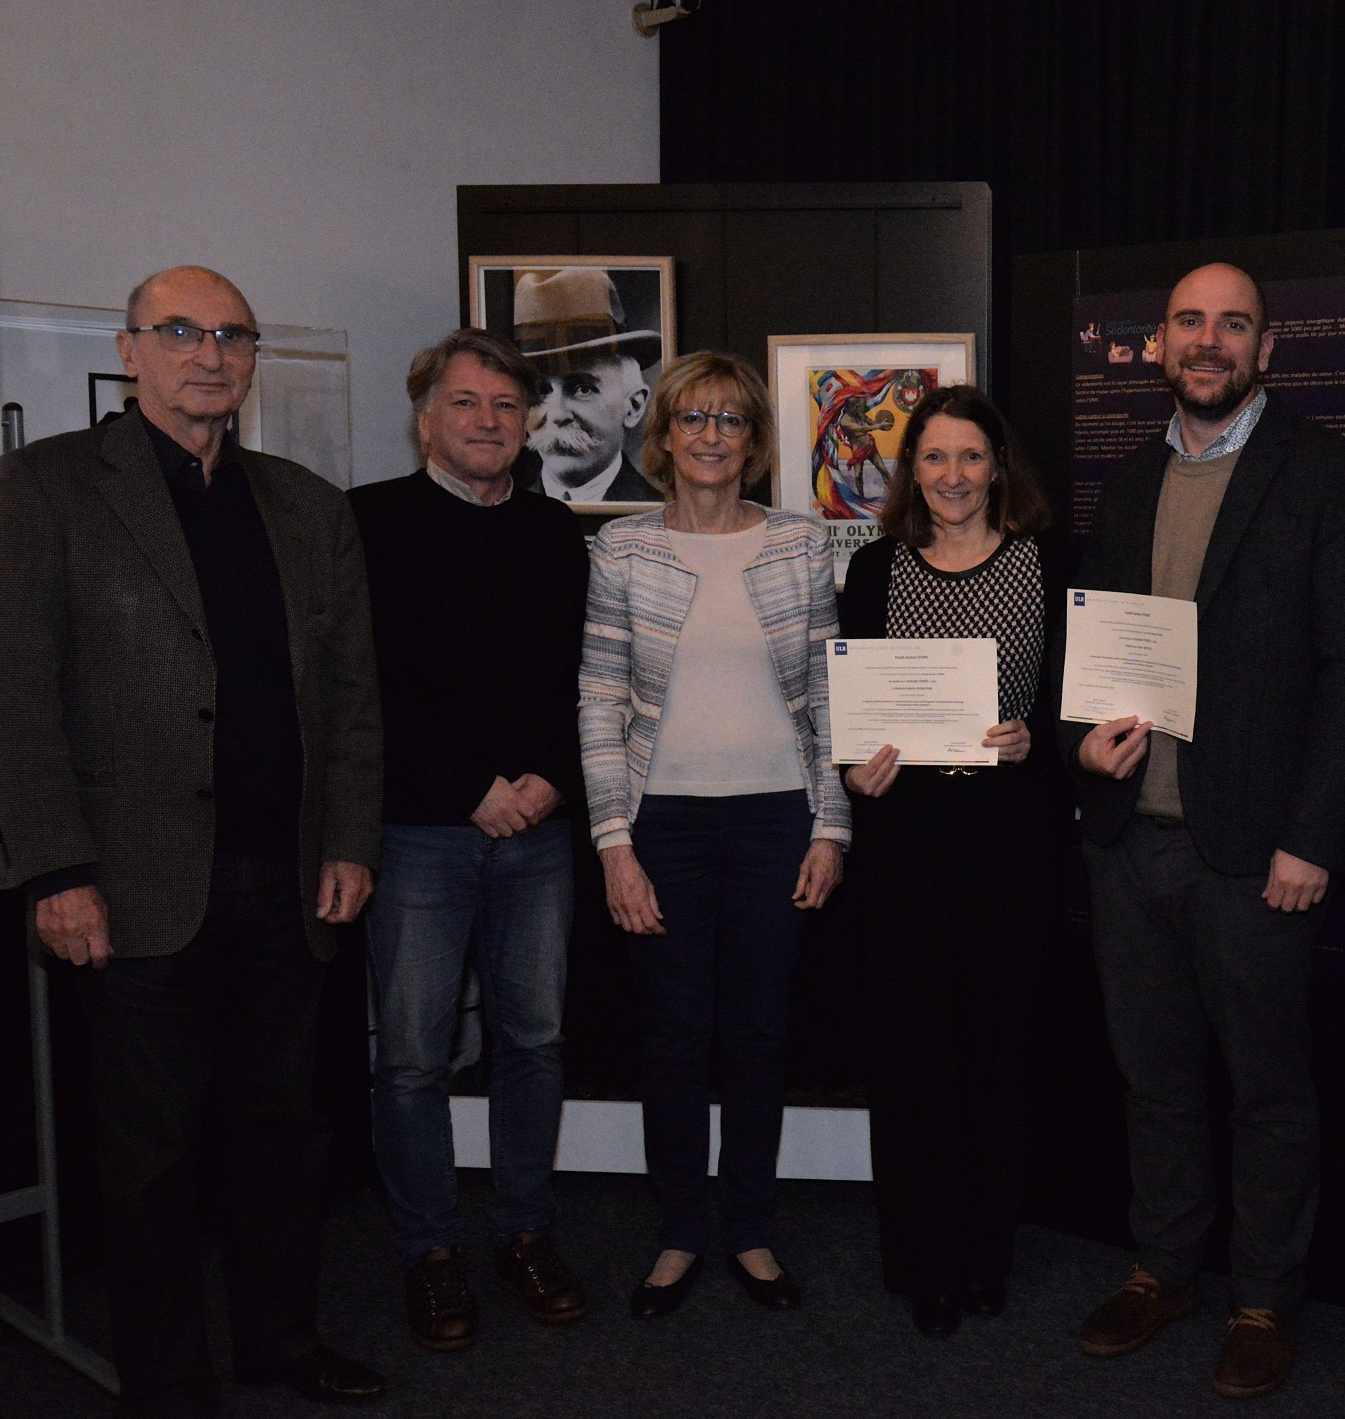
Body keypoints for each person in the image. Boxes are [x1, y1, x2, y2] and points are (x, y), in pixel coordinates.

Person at [0, 265, 386, 1413]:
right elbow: (9, 695)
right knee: (151, 1156)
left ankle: (279, 1343)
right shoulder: (51, 484)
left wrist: (350, 841)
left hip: (289, 881)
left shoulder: (307, 505)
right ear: (133, 348)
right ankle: (166, 1381)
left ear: (254, 358)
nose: (210, 353)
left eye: (234, 335)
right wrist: (55, 867)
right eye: (183, 331)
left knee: (282, 1135)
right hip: (135, 884)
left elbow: (350, 699)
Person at [1062, 262, 1345, 1399]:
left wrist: (1314, 840)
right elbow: (1097, 653)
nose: (1207, 341)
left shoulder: (1326, 477)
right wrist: (1079, 745)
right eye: (1189, 323)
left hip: (1256, 853)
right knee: (1151, 1083)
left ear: (1265, 348)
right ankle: (1164, 1270)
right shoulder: (1126, 479)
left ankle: (1264, 1297)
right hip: (1129, 840)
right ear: (1159, 345)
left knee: (1267, 1091)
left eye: (1232, 324)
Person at [578, 350, 851, 1320]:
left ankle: (749, 1227)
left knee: (758, 1032)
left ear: (751, 441)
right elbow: (600, 698)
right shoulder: (621, 552)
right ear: (662, 436)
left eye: (729, 421)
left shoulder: (801, 546)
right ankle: (680, 1230)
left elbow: (829, 696)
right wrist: (613, 841)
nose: (709, 437)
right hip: (664, 826)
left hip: (779, 817)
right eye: (692, 418)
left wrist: (832, 827)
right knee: (673, 1034)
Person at [348, 329, 591, 1352]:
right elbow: (360, 688)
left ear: (526, 419)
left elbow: (580, 678)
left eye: (504, 405)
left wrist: (548, 781)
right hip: (417, 835)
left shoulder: (555, 532)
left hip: (537, 831)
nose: (487, 421)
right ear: (424, 418)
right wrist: (467, 789)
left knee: (532, 1044)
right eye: (465, 403)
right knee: (411, 1057)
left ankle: (524, 1233)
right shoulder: (364, 524)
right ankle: (430, 1252)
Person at [838, 385, 1067, 1338]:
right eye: (934, 458)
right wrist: (858, 768)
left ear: (999, 466)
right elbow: (847, 713)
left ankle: (984, 1252)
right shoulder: (873, 570)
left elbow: (1078, 710)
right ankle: (923, 1258)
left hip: (1009, 840)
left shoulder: (1049, 566)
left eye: (971, 457)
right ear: (910, 472)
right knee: (913, 1054)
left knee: (997, 1054)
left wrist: (1036, 739)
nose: (953, 477)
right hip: (905, 844)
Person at [513, 267, 662, 504]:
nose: (558, 414)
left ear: (634, 406)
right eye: (541, 392)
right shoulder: (505, 511)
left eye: (583, 389)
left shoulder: (655, 510)